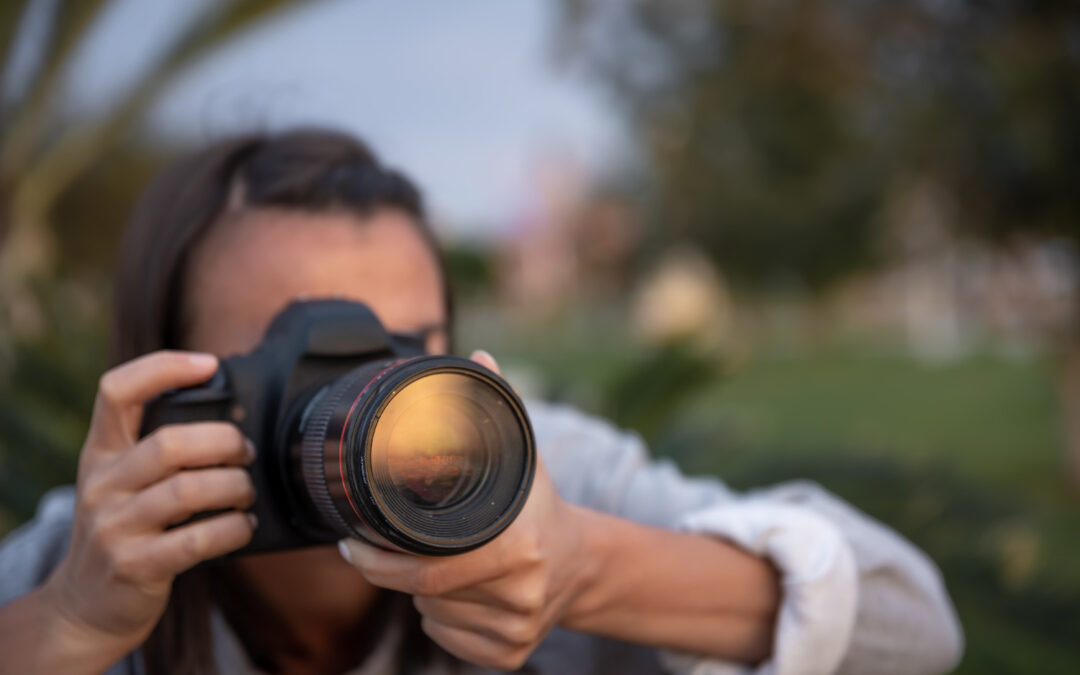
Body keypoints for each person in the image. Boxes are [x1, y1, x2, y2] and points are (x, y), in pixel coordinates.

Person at [0, 129, 963, 675]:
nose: (368, 399)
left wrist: (591, 569)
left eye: (405, 351)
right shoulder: (94, 560)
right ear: (165, 385)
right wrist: (68, 629)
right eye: (286, 361)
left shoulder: (530, 477)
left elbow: (916, 630)